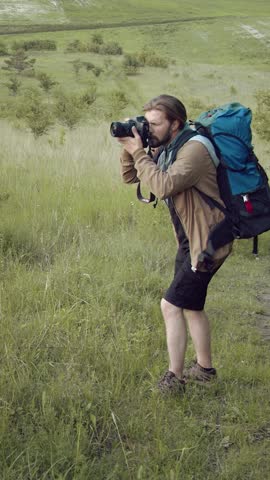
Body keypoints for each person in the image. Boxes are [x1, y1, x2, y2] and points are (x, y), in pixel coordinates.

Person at [116, 94, 232, 394]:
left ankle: (174, 379)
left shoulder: (193, 150)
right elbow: (131, 177)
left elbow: (164, 185)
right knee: (191, 306)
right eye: (147, 123)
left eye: (155, 124)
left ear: (175, 123)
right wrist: (130, 149)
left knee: (170, 305)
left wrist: (140, 153)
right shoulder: (168, 147)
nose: (149, 128)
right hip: (190, 241)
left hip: (207, 243)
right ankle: (205, 369)